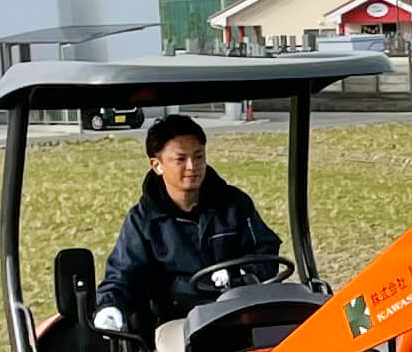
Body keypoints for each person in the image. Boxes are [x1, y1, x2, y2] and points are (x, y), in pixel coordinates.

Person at [91, 114, 282, 334]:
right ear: (157, 165)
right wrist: (109, 307)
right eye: (181, 159)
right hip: (177, 321)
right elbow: (122, 277)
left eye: (199, 157)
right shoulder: (144, 221)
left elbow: (266, 252)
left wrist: (241, 274)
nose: (192, 166)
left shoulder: (234, 204)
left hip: (237, 313)